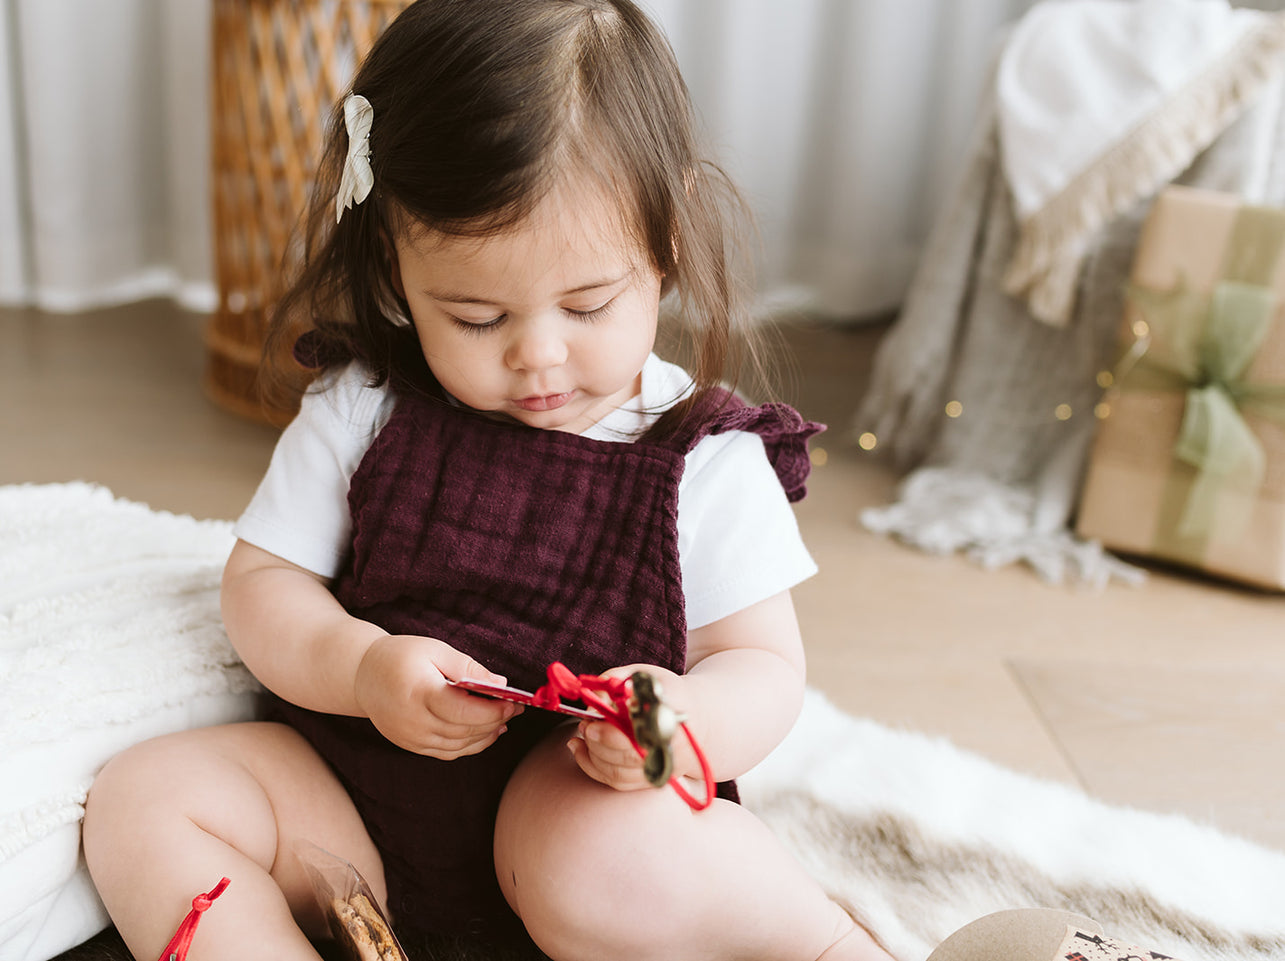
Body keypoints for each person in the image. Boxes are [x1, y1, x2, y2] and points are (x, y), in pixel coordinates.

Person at [81, 2, 895, 960]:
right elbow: (263, 586)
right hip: (352, 818)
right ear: (393, 265)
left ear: (665, 242)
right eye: (474, 317)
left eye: (588, 305)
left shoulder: (705, 457)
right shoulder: (364, 405)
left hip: (586, 842)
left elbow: (761, 668)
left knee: (601, 848)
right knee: (146, 798)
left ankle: (837, 947)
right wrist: (359, 667)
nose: (537, 357)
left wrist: (675, 727)